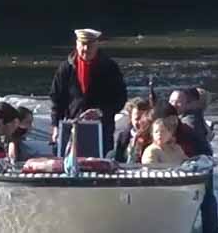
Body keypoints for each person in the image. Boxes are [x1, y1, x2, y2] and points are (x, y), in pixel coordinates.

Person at [49, 28, 128, 156]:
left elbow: (120, 99)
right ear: (76, 44)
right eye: (82, 44)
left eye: (89, 45)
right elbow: (56, 99)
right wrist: (55, 126)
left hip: (102, 129)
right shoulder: (66, 68)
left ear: (97, 44)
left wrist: (101, 112)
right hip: (72, 128)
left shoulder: (109, 68)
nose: (85, 49)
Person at [167, 86, 218, 233]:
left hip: (200, 165)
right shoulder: (184, 118)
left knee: (207, 200)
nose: (174, 105)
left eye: (179, 102)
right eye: (172, 101)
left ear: (188, 104)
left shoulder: (189, 122)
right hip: (197, 163)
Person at [111, 96, 154, 165]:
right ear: (130, 118)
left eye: (144, 118)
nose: (140, 122)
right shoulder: (123, 137)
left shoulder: (154, 136)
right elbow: (118, 160)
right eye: (137, 118)